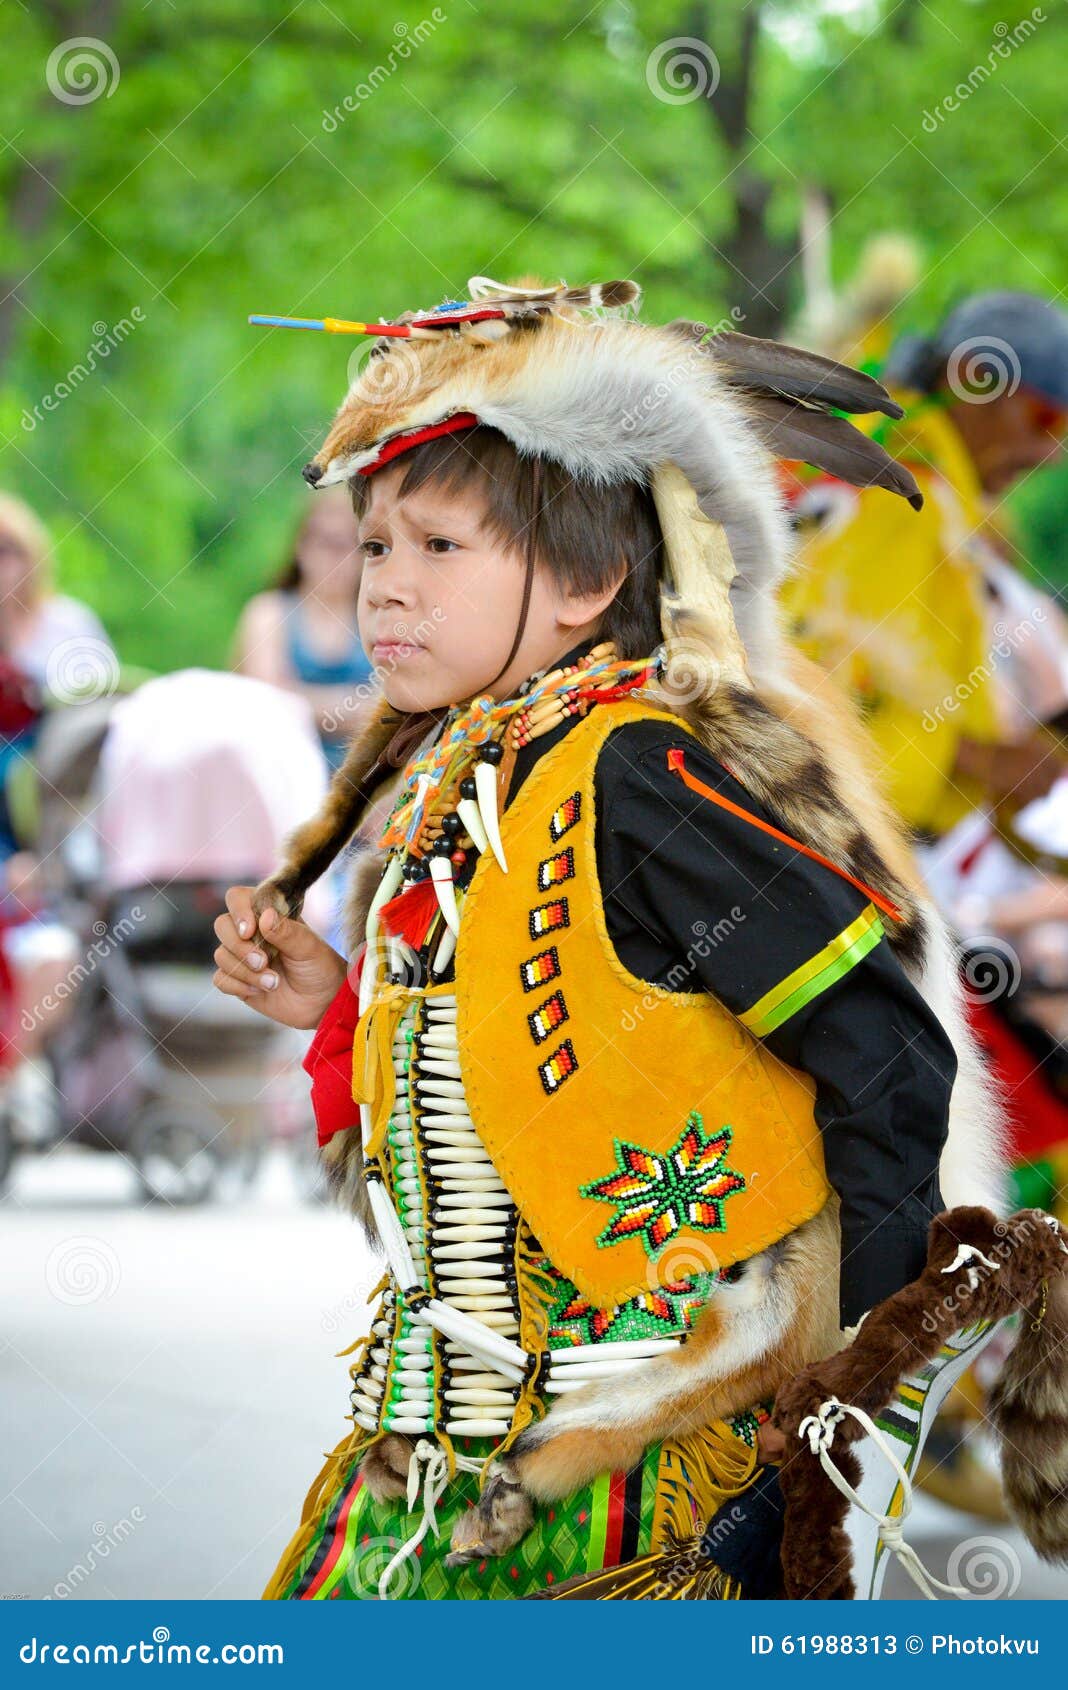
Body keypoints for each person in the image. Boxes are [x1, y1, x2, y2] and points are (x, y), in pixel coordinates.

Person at [212, 276, 1004, 1600]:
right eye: (373, 546)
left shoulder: (639, 774)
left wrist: (846, 1396)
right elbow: (559, 1053)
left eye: (438, 549)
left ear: (587, 578)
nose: (383, 589)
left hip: (629, 1487)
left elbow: (885, 1053)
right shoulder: (480, 777)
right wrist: (343, 1000)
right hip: (430, 1465)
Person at [783, 291, 1068, 843]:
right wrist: (980, 759)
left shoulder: (909, 484)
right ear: (974, 377)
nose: (1049, 453)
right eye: (1044, 418)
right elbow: (803, 674)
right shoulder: (903, 498)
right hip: (832, 846)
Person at [232, 486, 380, 772]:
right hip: (280, 777)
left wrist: (300, 699)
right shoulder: (269, 612)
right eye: (327, 542)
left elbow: (399, 708)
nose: (339, 558)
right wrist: (355, 705)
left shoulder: (379, 617)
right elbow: (266, 705)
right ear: (302, 545)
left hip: (363, 784)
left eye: (354, 545)